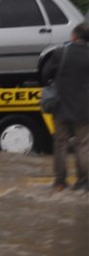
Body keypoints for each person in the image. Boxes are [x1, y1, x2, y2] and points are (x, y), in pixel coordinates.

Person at [46, 21, 89, 192]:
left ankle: (60, 182)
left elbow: (45, 75)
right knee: (84, 145)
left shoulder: (60, 53)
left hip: (61, 107)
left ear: (73, 37)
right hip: (84, 109)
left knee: (61, 145)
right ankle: (84, 182)